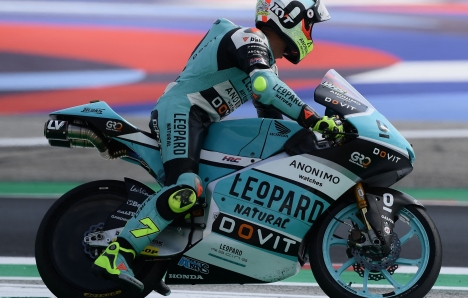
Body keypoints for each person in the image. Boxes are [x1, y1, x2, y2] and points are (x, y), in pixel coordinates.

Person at [91, 0, 342, 293]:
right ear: (290, 17)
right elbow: (265, 87)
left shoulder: (266, 63)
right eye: (309, 24)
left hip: (200, 121)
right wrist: (313, 119)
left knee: (208, 195)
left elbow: (271, 119)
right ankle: (118, 253)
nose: (310, 33)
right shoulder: (249, 39)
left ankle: (156, 258)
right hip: (182, 111)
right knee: (186, 189)